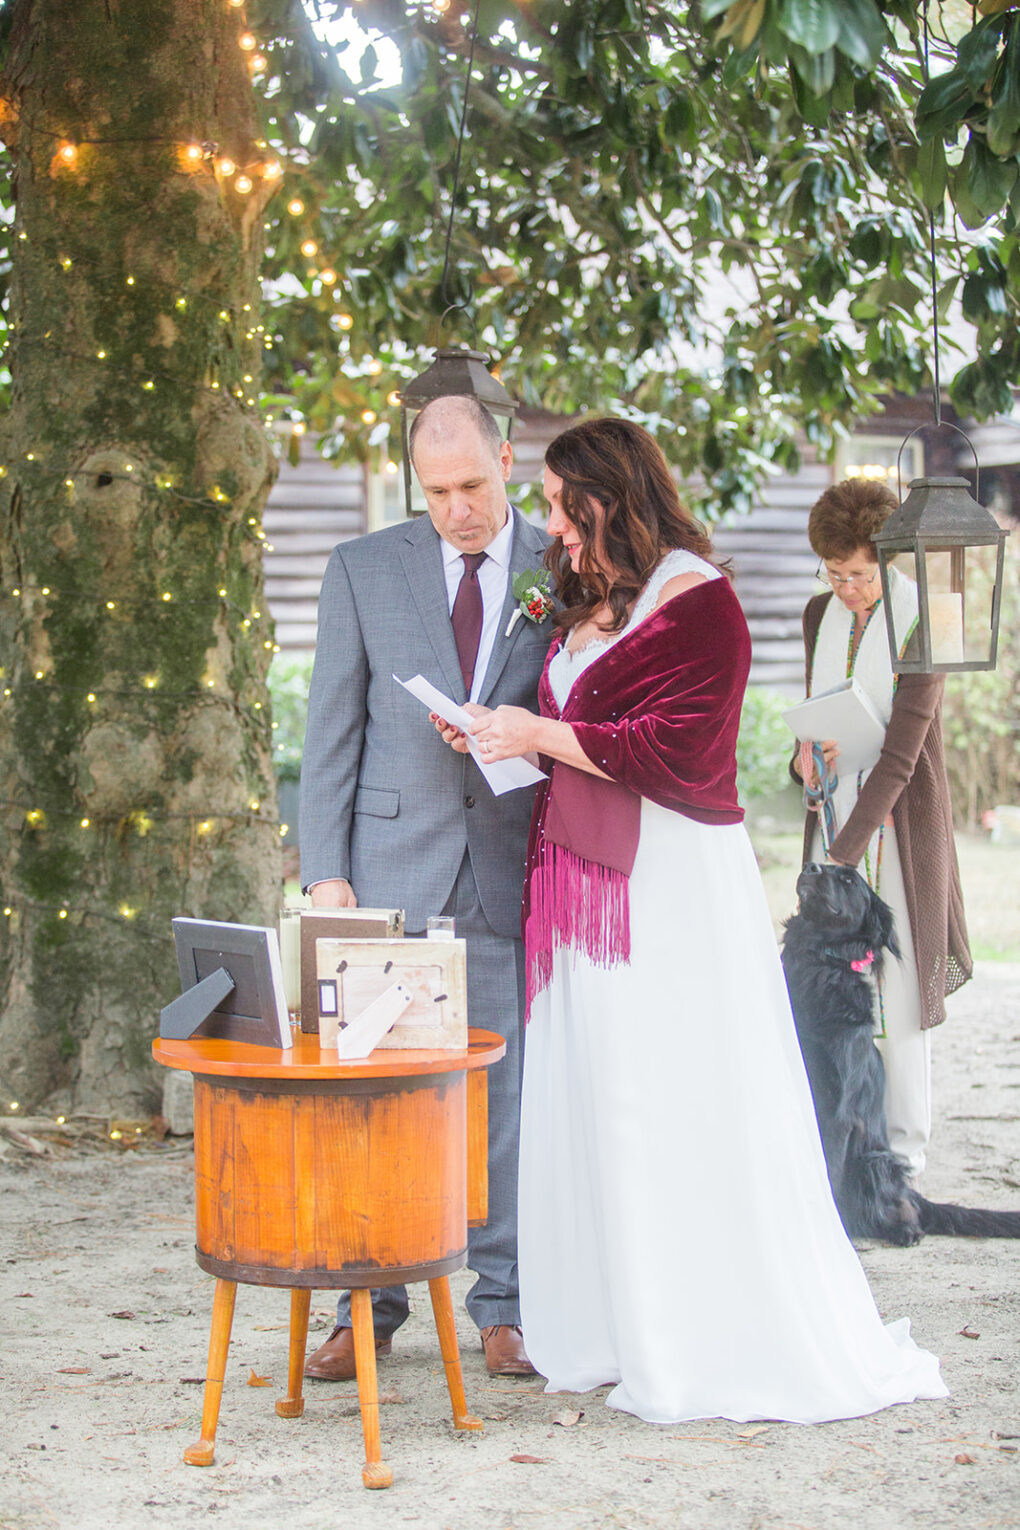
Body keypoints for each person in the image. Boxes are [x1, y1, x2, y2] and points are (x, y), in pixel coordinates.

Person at [435, 418, 947, 1424]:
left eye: (556, 504)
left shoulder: (700, 599)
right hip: (581, 876)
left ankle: (697, 1329)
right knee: (600, 1088)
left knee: (668, 1090)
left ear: (607, 498)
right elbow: (577, 728)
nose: (547, 525)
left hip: (667, 882)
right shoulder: (588, 599)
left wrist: (540, 729)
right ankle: (614, 1323)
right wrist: (505, 734)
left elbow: (679, 745)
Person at [298, 393, 551, 1378]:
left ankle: (505, 1307)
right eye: (438, 492)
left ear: (508, 461)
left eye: (475, 486)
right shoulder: (362, 569)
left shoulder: (558, 568)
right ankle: (366, 1304)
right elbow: (331, 730)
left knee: (503, 1098)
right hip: (388, 874)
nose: (458, 509)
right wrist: (326, 873)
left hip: (506, 869)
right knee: (377, 1102)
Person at [792, 479, 972, 1179]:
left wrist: (845, 850)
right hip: (832, 815)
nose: (848, 592)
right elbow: (812, 713)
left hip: (896, 829)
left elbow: (904, 752)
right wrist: (803, 758)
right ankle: (841, 1135)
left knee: (896, 985)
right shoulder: (818, 615)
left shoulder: (929, 619)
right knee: (829, 985)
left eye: (861, 576)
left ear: (890, 561)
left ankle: (903, 1150)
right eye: (835, 576)